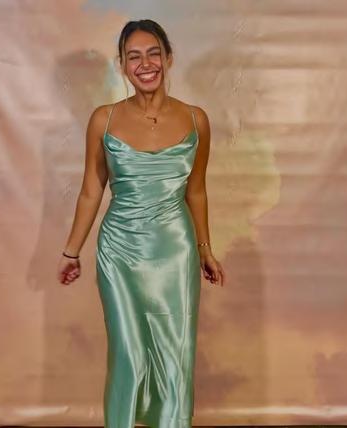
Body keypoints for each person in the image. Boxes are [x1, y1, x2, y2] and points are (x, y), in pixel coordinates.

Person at [57, 19, 225, 428]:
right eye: (134, 57)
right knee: (128, 353)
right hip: (119, 252)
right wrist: (71, 251)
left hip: (176, 251)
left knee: (175, 353)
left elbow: (196, 191)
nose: (145, 64)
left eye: (153, 54)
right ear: (122, 65)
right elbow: (91, 190)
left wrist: (205, 249)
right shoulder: (104, 120)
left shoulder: (197, 120)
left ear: (168, 58)